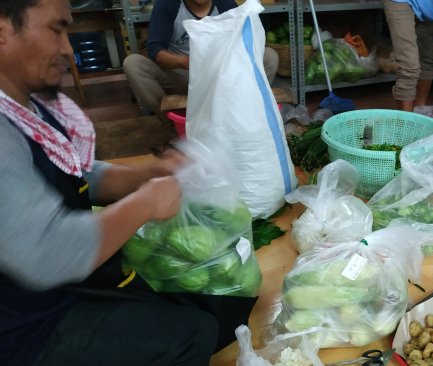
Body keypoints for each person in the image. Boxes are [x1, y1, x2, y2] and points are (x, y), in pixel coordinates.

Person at [0, 1, 221, 364]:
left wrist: (146, 174)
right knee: (192, 333)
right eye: (56, 30)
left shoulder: (26, 106)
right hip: (24, 330)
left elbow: (72, 174)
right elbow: (47, 252)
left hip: (62, 288)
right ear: (3, 29)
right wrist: (145, 204)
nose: (67, 49)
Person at [123, 0, 280, 123]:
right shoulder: (167, 4)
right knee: (133, 64)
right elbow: (155, 50)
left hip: (221, 74)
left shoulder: (225, 4)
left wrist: (225, 64)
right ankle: (173, 125)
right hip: (183, 73)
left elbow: (243, 42)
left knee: (269, 56)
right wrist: (192, 62)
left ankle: (241, 118)